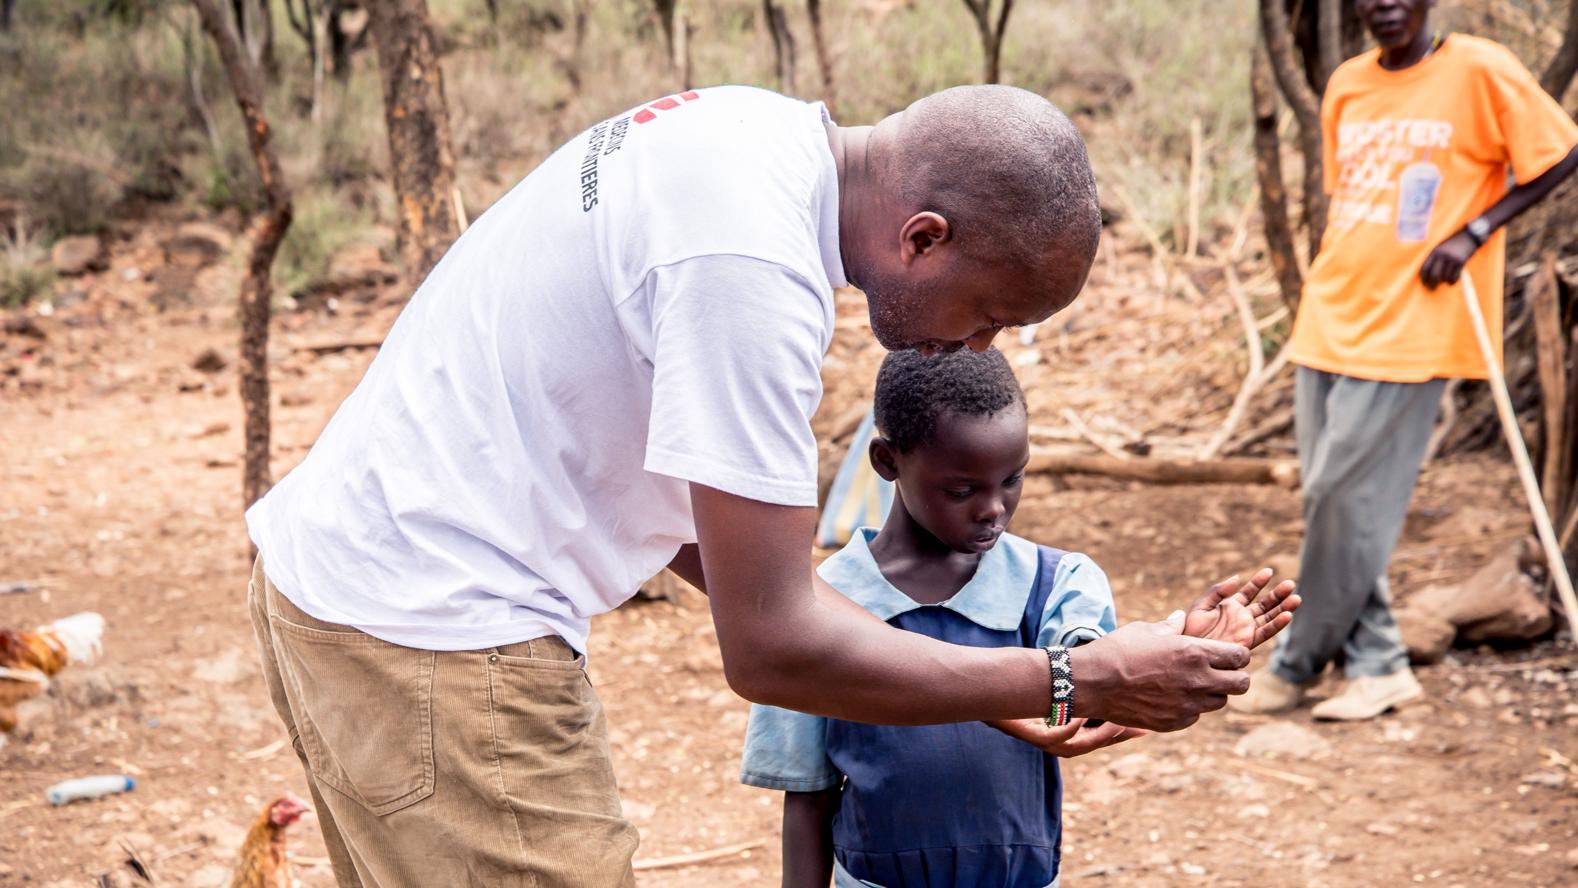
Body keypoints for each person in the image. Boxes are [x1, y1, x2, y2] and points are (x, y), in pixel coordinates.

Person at [244, 83, 1286, 887]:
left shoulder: (752, 138)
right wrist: (1072, 681)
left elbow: (733, 553)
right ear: (924, 236)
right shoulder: (749, 271)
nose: (979, 345)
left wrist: (1010, 693)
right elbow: (772, 644)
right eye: (990, 313)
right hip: (436, 642)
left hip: (355, 594)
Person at [741, 348, 1299, 888]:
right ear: (888, 461)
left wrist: (1174, 648)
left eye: (1013, 479)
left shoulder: (1056, 584)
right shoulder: (814, 608)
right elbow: (809, 798)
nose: (994, 508)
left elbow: (1082, 686)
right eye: (962, 489)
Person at [1233, 0, 1578, 721]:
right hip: (1330, 313)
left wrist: (1475, 230)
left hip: (1413, 323)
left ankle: (1295, 664)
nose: (1383, 4)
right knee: (1335, 504)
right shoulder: (1349, 83)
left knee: (1337, 495)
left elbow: (1560, 150)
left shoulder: (1478, 68)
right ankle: (1380, 662)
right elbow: (1352, 198)